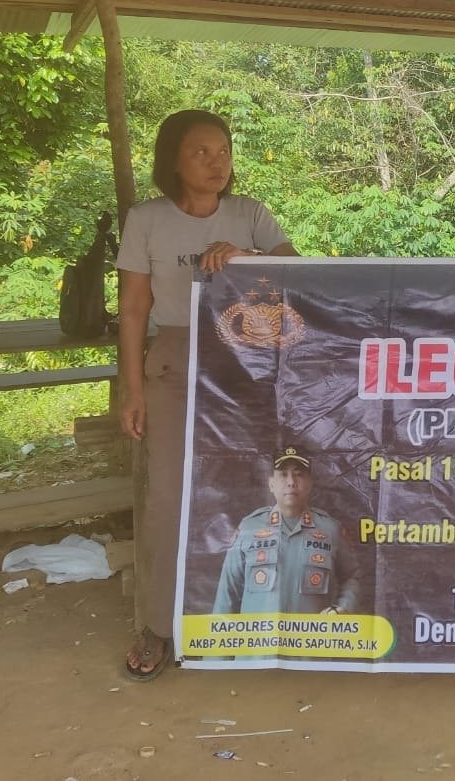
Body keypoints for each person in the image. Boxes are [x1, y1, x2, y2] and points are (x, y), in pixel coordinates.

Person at [116, 109, 297, 681]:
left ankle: (258, 619)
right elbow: (133, 310)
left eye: (223, 151)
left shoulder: (250, 215)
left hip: (246, 363)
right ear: (172, 160)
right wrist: (132, 390)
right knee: (167, 496)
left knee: (255, 487)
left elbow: (298, 273)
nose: (216, 162)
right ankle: (157, 626)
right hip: (174, 360)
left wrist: (248, 258)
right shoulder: (147, 220)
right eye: (200, 152)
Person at [212, 445, 360, 615]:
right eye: (283, 474)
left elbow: (352, 576)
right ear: (271, 484)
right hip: (259, 632)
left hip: (311, 632)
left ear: (310, 483)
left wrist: (342, 608)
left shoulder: (330, 529)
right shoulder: (249, 528)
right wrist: (219, 629)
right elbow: (228, 590)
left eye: (299, 474)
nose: (291, 482)